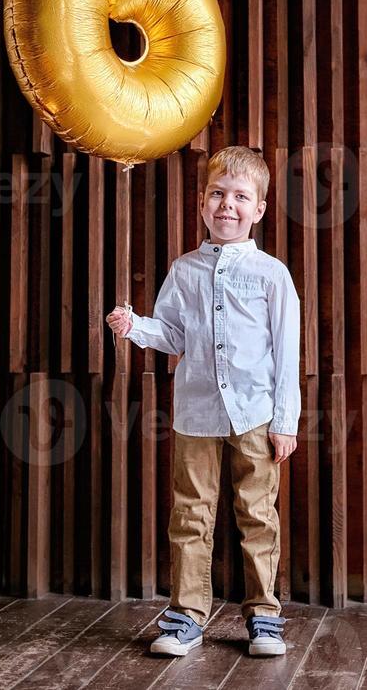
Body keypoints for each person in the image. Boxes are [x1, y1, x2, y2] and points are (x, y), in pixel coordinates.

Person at [106, 146, 301, 657]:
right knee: (190, 513)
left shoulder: (271, 275)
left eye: (240, 197)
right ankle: (187, 616)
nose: (227, 206)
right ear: (201, 201)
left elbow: (287, 352)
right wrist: (136, 327)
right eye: (217, 194)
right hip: (196, 413)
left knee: (257, 514)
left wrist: (285, 421)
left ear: (259, 208)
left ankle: (263, 616)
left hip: (256, 415)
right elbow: (173, 334)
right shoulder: (184, 269)